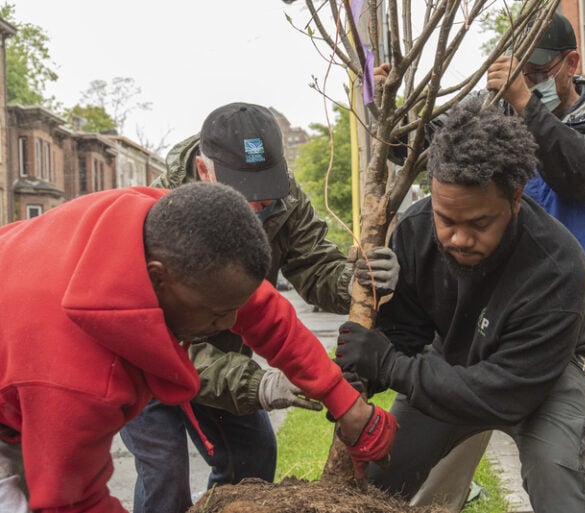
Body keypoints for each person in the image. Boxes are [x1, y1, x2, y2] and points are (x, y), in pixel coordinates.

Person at [375, 12, 585, 513]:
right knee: (423, 484)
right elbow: (427, 151)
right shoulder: (487, 115)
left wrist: (524, 102)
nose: (528, 81)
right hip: (469, 331)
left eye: (538, 72)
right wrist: (389, 104)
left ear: (571, 63)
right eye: (518, 70)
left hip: (570, 329)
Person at [0, 182, 396, 513]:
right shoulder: (76, 378)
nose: (229, 325)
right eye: (218, 313)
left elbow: (263, 312)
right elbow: (72, 502)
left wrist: (345, 402)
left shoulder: (163, 226)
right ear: (158, 279)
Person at [120, 102, 399, 513]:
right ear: (203, 170)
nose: (258, 207)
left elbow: (309, 270)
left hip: (226, 348)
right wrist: (259, 385)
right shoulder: (159, 218)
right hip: (148, 355)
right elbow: (167, 341)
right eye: (244, 196)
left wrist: (359, 283)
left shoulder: (283, 198)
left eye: (265, 195)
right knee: (165, 472)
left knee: (253, 456)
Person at [335, 96, 585, 513]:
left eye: (479, 223)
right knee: (381, 473)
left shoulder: (556, 263)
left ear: (515, 198)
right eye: (447, 220)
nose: (458, 238)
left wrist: (392, 366)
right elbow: (405, 334)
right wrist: (365, 367)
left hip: (547, 372)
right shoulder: (416, 230)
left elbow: (506, 393)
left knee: (557, 481)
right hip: (455, 355)